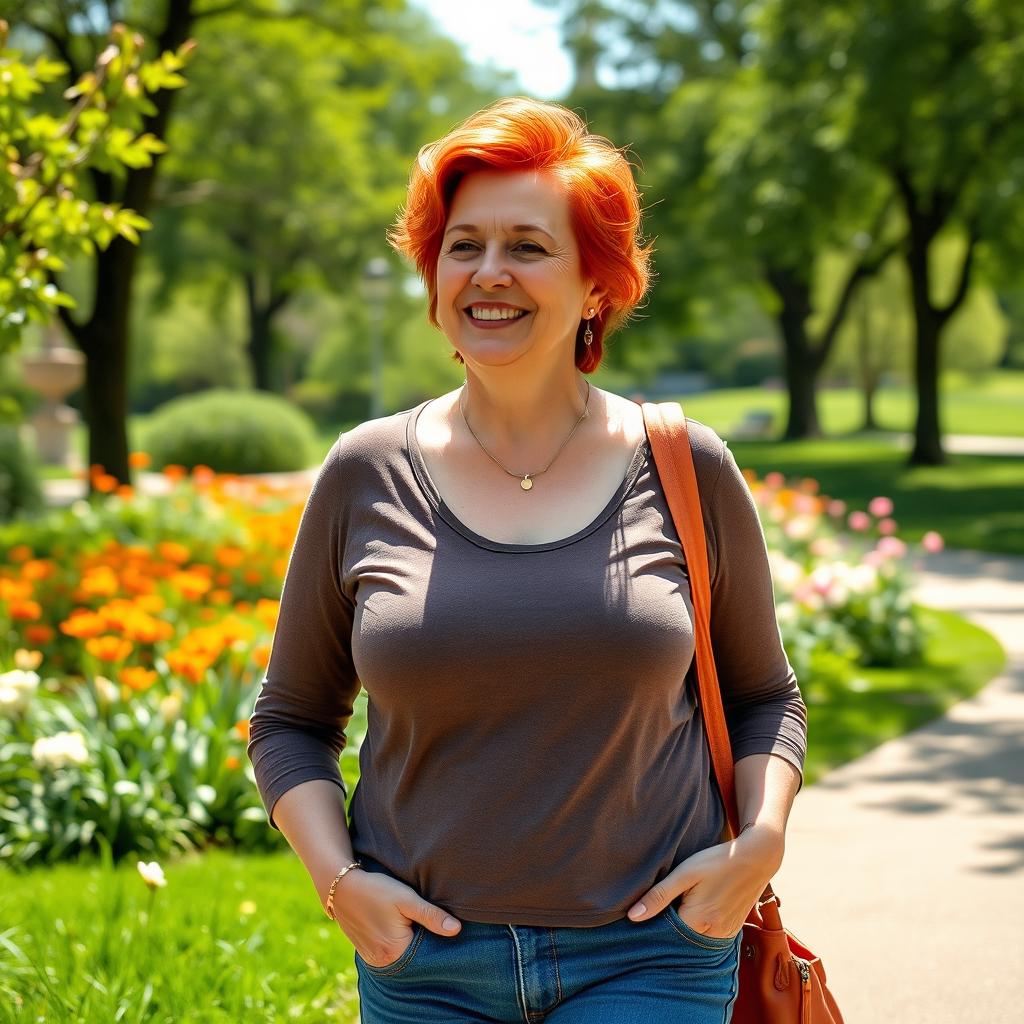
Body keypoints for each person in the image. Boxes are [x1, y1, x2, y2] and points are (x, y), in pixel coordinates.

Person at [246, 96, 806, 1024]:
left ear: (597, 284)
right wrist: (341, 884)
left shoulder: (683, 463)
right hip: (424, 965)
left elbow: (763, 698)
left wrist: (760, 846)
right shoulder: (364, 471)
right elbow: (290, 720)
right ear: (432, 274)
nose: (488, 273)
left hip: (651, 954)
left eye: (528, 246)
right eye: (463, 245)